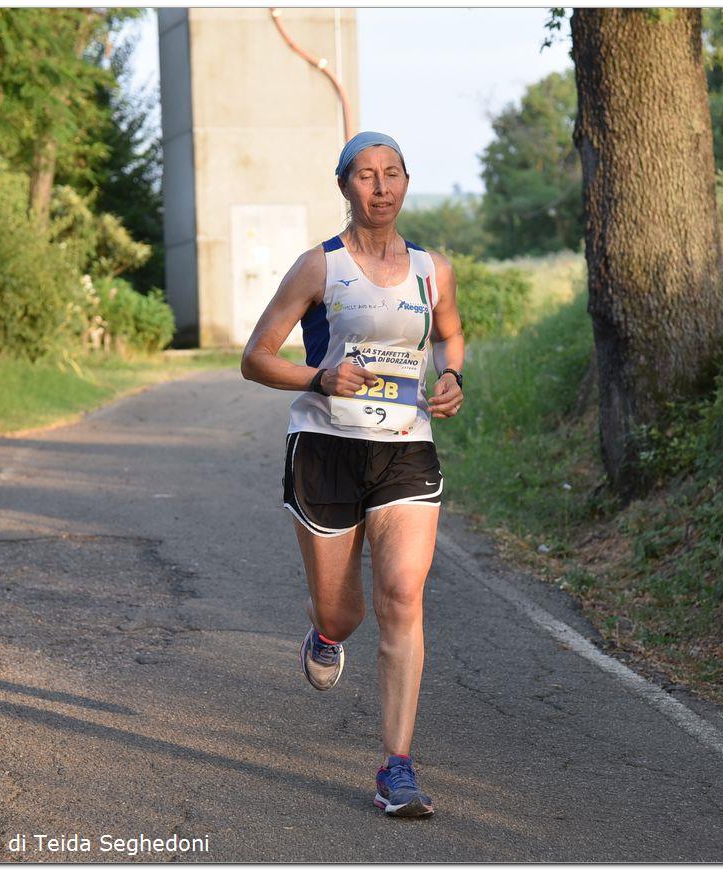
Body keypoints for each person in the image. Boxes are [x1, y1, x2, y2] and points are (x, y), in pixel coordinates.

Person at [240, 131, 465, 819]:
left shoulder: (432, 269)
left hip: (405, 449)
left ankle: (397, 767)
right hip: (325, 449)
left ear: (406, 182)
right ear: (344, 186)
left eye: (392, 173)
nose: (381, 186)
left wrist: (453, 376)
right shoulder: (319, 267)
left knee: (402, 595)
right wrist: (320, 377)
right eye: (366, 175)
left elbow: (450, 333)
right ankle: (327, 631)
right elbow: (255, 357)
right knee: (345, 610)